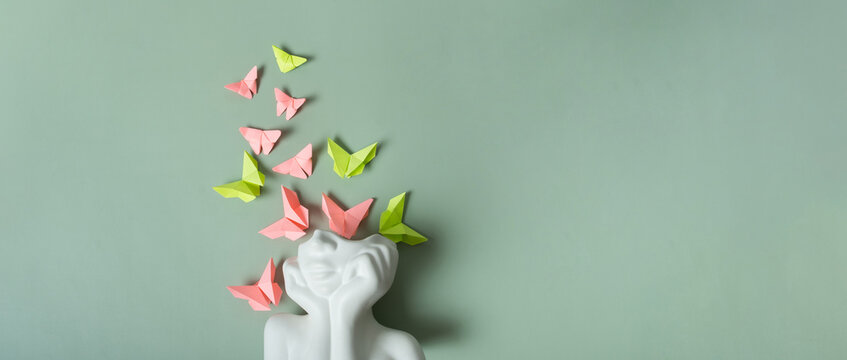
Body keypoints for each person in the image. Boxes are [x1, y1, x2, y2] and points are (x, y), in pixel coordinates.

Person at [265, 230, 425, 360]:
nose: (317, 239)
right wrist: (322, 315)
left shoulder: (400, 348)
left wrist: (343, 313)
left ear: (380, 261)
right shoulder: (280, 329)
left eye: (344, 240)